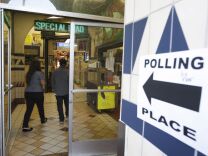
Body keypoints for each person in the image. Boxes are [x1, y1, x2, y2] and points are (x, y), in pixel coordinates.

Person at [22, 59, 47, 132]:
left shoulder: (28, 73)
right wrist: (43, 86)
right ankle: (42, 120)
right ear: (38, 65)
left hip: (28, 93)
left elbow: (28, 83)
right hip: (38, 93)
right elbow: (43, 84)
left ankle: (25, 126)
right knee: (40, 107)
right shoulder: (40, 73)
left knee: (29, 110)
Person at [52, 58, 69, 123]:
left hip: (58, 92)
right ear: (65, 64)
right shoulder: (68, 71)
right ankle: (67, 115)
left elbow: (52, 81)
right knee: (67, 104)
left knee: (59, 105)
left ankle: (61, 119)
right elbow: (70, 81)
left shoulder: (55, 71)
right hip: (66, 91)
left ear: (59, 63)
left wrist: (54, 89)